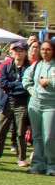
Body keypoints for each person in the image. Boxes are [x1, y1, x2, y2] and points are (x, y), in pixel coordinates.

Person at [0, 40, 31, 167]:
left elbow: (27, 85)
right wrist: (18, 84)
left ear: (25, 53)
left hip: (21, 102)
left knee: (20, 132)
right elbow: (3, 83)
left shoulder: (29, 68)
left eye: (21, 51)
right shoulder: (7, 66)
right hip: (6, 101)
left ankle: (21, 158)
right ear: (12, 52)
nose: (18, 53)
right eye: (16, 50)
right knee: (1, 130)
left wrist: (14, 86)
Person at [23, 40, 55, 175]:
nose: (44, 52)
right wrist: (30, 89)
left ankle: (51, 165)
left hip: (51, 103)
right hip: (35, 103)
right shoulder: (36, 65)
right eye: (42, 49)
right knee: (36, 136)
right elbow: (25, 79)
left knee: (48, 136)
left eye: (47, 49)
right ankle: (37, 164)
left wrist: (50, 82)